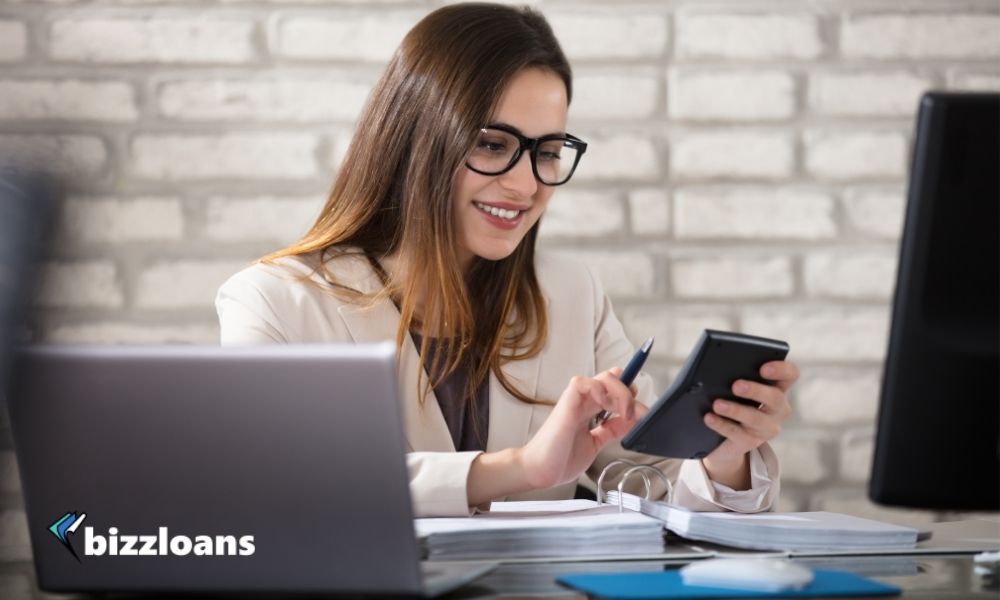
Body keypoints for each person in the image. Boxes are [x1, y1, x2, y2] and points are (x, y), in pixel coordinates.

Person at [216, 2, 799, 518]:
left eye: (548, 152)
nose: (526, 185)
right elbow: (278, 488)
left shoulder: (572, 294)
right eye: (493, 145)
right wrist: (522, 468)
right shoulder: (273, 302)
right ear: (418, 140)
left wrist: (722, 456)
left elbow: (654, 489)